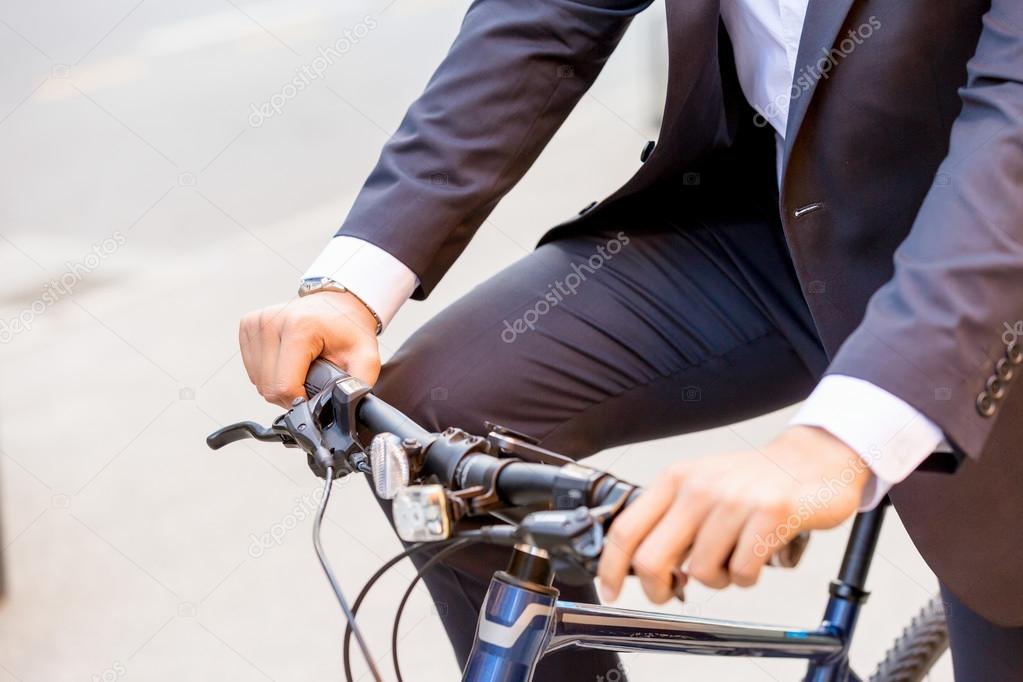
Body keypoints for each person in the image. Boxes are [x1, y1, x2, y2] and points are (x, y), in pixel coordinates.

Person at [238, 1, 1023, 679]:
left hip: (990, 278)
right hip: (768, 221)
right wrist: (353, 281)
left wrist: (833, 447)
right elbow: (544, 18)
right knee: (439, 420)